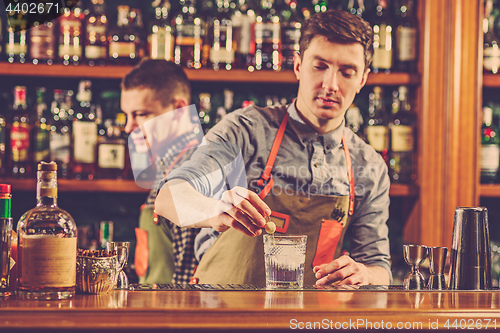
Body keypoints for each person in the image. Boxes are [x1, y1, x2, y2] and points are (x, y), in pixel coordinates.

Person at [155, 9, 391, 286]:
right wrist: (215, 209)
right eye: (320, 66)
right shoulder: (246, 129)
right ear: (298, 66)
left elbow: (378, 265)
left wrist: (365, 274)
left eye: (347, 72)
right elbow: (168, 198)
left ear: (362, 79)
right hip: (219, 312)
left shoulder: (369, 166)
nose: (331, 85)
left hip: (305, 321)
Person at [121, 59, 201, 284]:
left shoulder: (192, 171)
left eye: (141, 114)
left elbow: (189, 278)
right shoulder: (168, 166)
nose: (129, 127)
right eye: (127, 115)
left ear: (178, 110)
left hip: (174, 314)